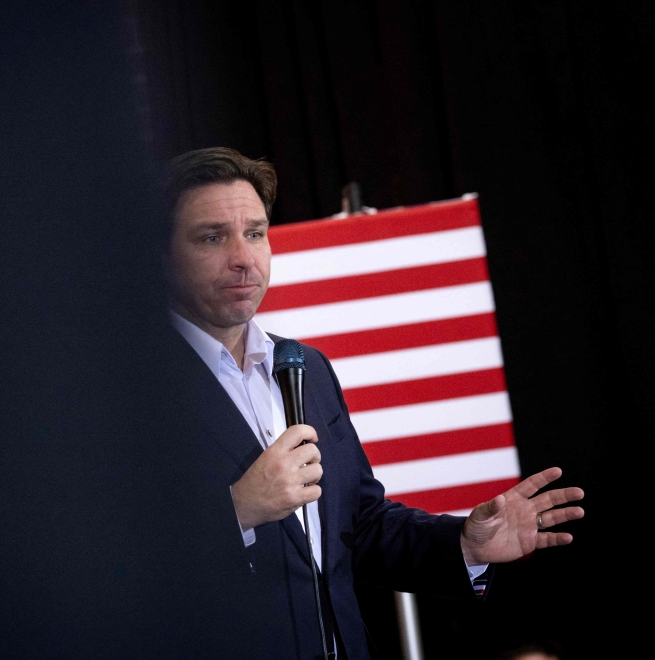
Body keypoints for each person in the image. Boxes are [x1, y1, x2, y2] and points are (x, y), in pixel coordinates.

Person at [160, 147, 585, 660]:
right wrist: (237, 511)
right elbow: (103, 573)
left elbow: (357, 526)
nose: (244, 258)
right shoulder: (125, 395)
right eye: (212, 237)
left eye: (255, 232)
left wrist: (464, 546)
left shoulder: (304, 367)